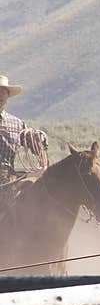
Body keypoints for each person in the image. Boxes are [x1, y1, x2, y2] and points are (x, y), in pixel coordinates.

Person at [0, 74, 48, 211]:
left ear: (8, 96)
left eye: (3, 92)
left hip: (8, 181)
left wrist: (40, 140)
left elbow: (34, 143)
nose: (0, 96)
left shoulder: (17, 124)